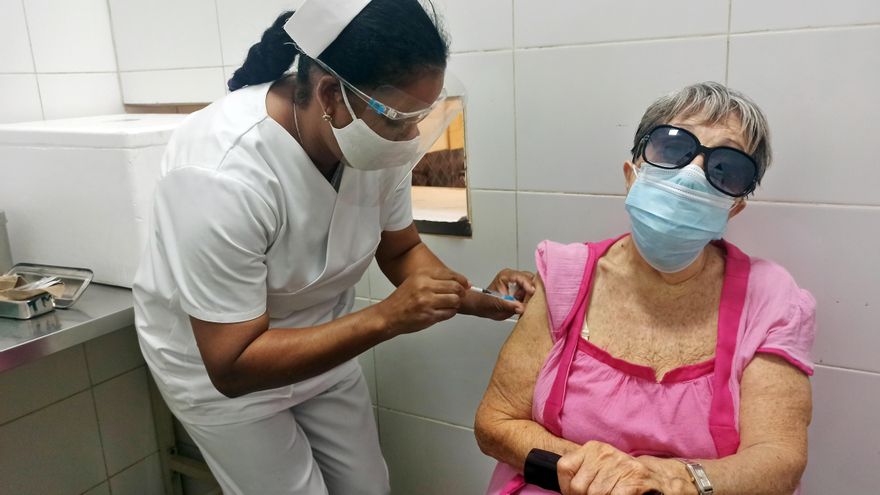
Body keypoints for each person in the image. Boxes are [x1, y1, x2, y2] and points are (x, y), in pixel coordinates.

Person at [132, 1, 534, 494]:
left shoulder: (368, 140)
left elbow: (401, 250)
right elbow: (232, 365)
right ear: (330, 94)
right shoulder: (221, 171)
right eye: (397, 120)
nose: (409, 137)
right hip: (223, 368)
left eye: (419, 118)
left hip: (325, 343)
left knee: (369, 487)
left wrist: (476, 297)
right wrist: (386, 318)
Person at [475, 82, 815, 495]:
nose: (692, 176)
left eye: (726, 168)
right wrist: (586, 467)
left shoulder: (771, 300)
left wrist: (678, 480)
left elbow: (780, 459)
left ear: (735, 206)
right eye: (673, 148)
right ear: (631, 173)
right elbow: (495, 423)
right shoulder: (566, 275)